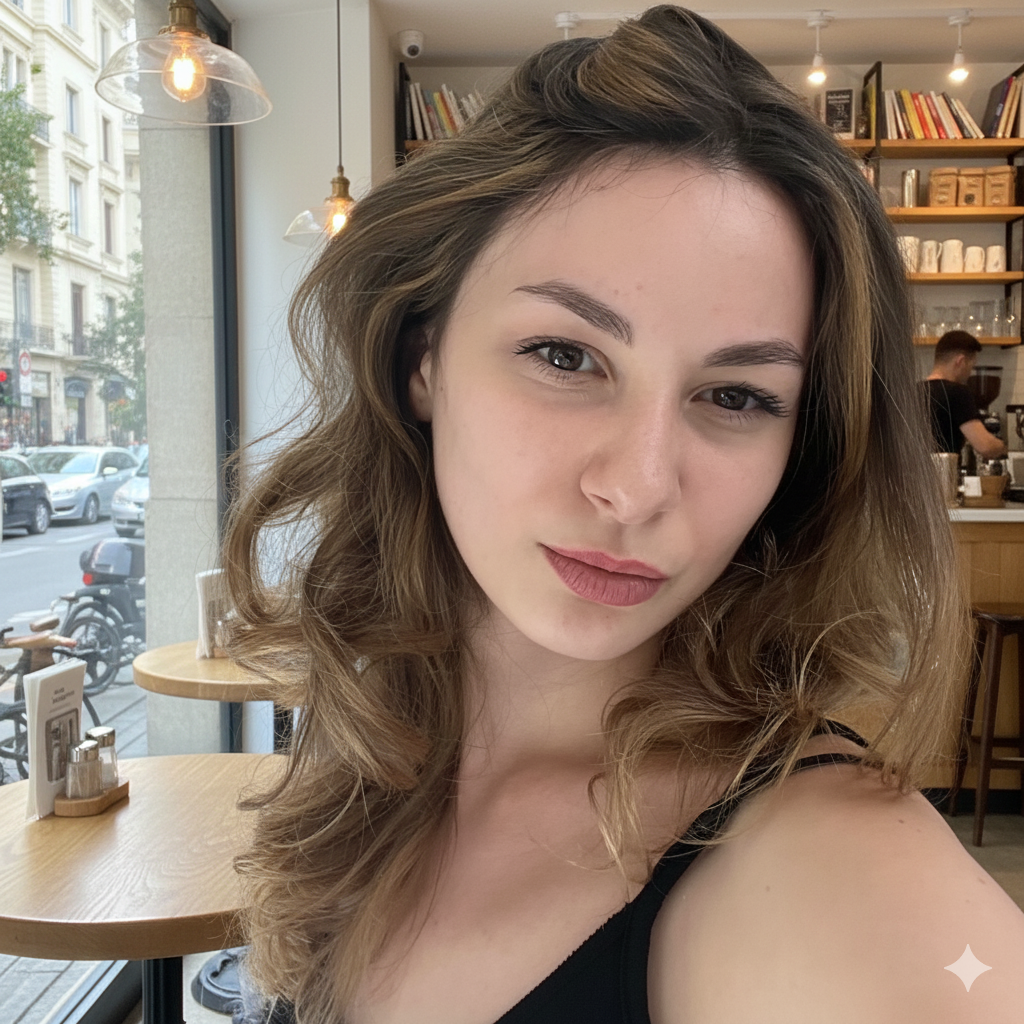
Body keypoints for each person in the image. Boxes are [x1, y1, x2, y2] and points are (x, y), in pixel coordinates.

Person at [222, 7, 1024, 1023]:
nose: (639, 486)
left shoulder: (826, 862)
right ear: (421, 356)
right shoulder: (382, 741)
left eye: (736, 397)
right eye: (565, 356)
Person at [923, 330, 1007, 460]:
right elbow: (985, 446)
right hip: (942, 475)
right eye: (971, 366)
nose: (969, 373)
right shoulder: (957, 392)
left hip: (908, 476)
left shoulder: (912, 391)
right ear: (960, 361)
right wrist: (1002, 447)